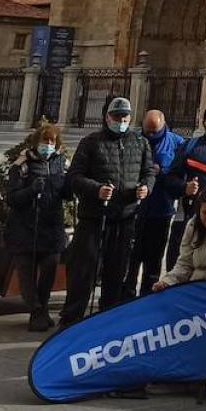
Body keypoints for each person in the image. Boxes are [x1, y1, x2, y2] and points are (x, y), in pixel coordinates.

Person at [60, 97, 155, 326]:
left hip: (125, 217)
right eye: (116, 116)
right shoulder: (91, 142)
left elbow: (149, 172)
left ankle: (108, 318)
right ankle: (71, 319)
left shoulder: (140, 143)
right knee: (84, 270)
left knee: (117, 271)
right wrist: (96, 190)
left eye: (124, 117)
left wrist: (146, 188)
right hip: (94, 217)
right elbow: (74, 177)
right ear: (107, 117)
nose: (120, 120)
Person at [4, 123, 68, 331]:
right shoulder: (21, 165)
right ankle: (37, 311)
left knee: (49, 272)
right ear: (36, 142)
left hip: (51, 229)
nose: (47, 145)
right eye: (44, 142)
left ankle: (41, 308)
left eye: (51, 142)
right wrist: (31, 190)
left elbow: (67, 191)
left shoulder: (62, 164)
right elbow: (12, 198)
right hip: (24, 229)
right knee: (27, 276)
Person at [123, 109, 186, 299]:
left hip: (161, 209)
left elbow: (180, 175)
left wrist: (163, 171)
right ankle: (126, 296)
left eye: (155, 132)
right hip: (134, 209)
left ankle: (148, 297)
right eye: (147, 131)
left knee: (154, 259)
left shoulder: (176, 143)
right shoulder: (133, 139)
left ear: (163, 125)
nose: (151, 135)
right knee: (130, 258)